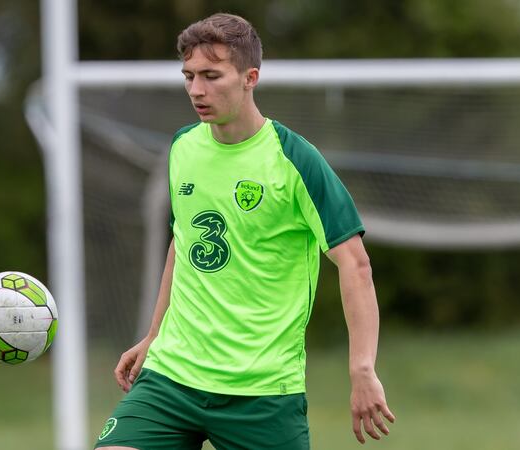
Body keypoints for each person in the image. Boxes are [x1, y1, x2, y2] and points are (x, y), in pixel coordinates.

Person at [95, 13, 394, 450]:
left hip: (262, 392)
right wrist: (154, 335)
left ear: (250, 77)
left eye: (212, 76)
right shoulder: (183, 147)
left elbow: (355, 263)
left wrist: (362, 370)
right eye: (189, 76)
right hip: (173, 376)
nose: (197, 90)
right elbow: (184, 242)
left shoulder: (295, 161)